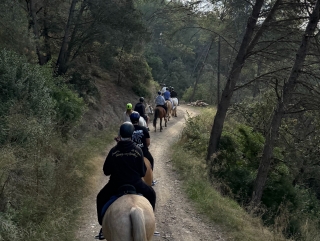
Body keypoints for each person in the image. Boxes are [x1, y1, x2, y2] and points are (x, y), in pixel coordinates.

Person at [95, 122, 156, 239]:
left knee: (100, 197)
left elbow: (106, 171)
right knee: (151, 194)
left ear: (120, 134)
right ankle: (152, 222)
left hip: (116, 184)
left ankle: (103, 227)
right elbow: (143, 172)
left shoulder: (114, 151)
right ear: (132, 134)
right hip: (136, 183)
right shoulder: (138, 150)